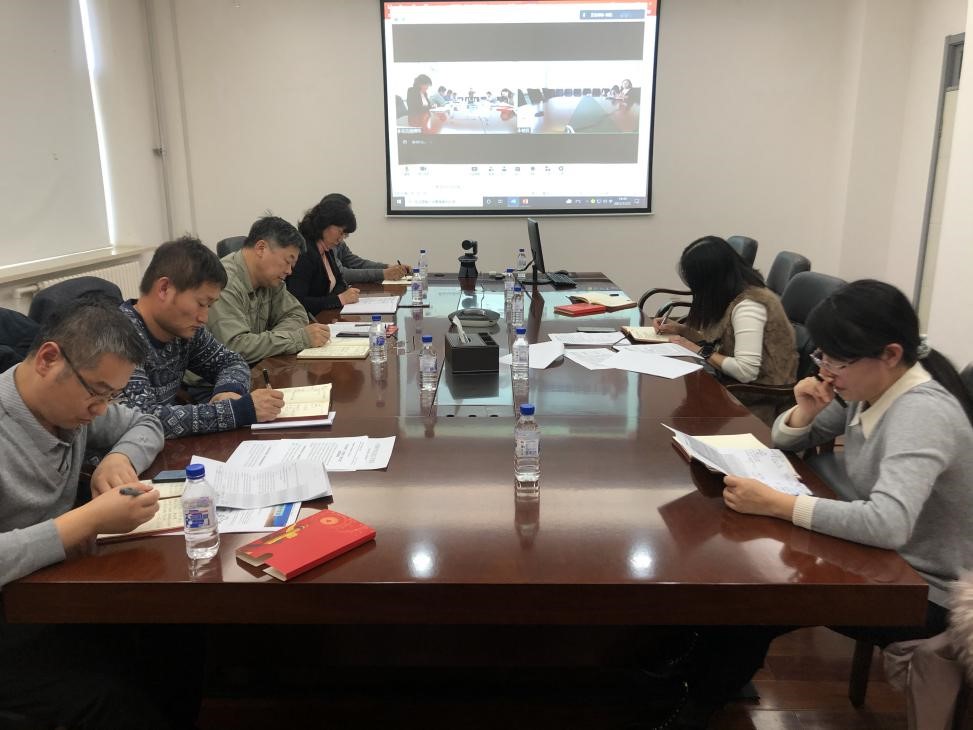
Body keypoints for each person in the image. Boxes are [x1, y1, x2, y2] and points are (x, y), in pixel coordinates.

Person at [666, 280, 973, 728]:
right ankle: (690, 676)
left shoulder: (920, 413)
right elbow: (786, 440)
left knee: (760, 599)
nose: (827, 371)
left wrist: (779, 504)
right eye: (822, 356)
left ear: (890, 354)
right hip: (887, 560)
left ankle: (694, 707)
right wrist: (804, 410)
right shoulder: (871, 388)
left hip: (928, 591)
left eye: (836, 360)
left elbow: (888, 524)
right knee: (748, 582)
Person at [0, 294, 188, 728]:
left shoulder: (69, 409)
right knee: (109, 696)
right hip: (12, 615)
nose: (102, 409)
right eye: (97, 393)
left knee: (175, 629)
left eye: (112, 396)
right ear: (48, 359)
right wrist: (87, 521)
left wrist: (118, 457)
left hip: (51, 592)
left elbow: (146, 422)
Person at [121, 236, 284, 438]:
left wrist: (228, 391)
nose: (204, 318)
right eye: (201, 303)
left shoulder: (185, 331)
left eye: (209, 306)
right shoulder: (120, 337)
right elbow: (142, 420)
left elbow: (232, 361)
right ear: (164, 289)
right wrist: (239, 410)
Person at [654, 236, 797, 389]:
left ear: (710, 281)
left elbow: (745, 371)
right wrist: (681, 330)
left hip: (757, 393)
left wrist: (697, 349)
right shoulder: (731, 293)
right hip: (730, 381)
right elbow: (720, 340)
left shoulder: (749, 306)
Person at [206, 215, 331, 364]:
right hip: (219, 376)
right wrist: (298, 339)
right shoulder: (224, 282)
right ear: (261, 248)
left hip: (258, 366)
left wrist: (271, 343)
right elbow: (235, 347)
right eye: (287, 261)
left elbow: (297, 314)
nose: (289, 271)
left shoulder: (270, 280)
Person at [287, 198, 362, 314]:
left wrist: (340, 296)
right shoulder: (304, 253)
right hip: (307, 321)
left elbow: (340, 282)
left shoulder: (326, 249)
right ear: (325, 223)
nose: (341, 239)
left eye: (344, 235)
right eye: (340, 232)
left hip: (326, 315)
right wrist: (339, 299)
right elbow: (297, 302)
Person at [320, 192, 410, 283]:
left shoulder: (338, 241)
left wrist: (388, 267)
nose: (351, 218)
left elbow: (356, 263)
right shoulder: (322, 244)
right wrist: (384, 273)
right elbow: (341, 274)